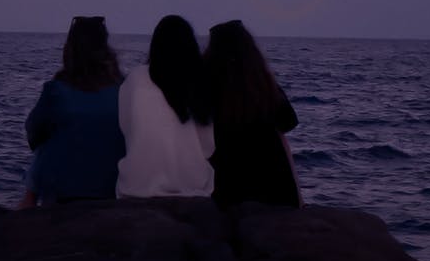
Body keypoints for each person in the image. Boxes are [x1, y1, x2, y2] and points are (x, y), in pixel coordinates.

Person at [21, 15, 125, 205]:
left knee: (47, 140)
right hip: (111, 188)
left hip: (63, 193)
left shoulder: (56, 90)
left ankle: (27, 203)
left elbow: (33, 134)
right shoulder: (122, 89)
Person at [203, 20, 301, 208]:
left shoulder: (206, 86)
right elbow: (286, 126)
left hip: (227, 186)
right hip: (273, 187)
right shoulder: (265, 87)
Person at [116, 14, 215, 198]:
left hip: (138, 184)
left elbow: (126, 128)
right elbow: (208, 146)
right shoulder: (198, 82)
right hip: (191, 184)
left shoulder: (135, 79)